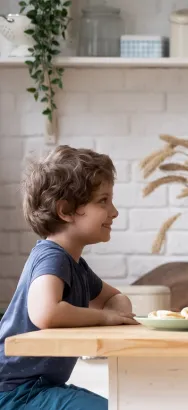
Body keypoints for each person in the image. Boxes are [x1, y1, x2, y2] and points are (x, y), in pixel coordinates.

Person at [0, 146, 137, 409]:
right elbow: (45, 312)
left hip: (40, 387)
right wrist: (106, 317)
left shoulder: (77, 266)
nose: (115, 211)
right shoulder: (52, 256)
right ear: (66, 211)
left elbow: (116, 298)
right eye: (103, 201)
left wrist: (116, 315)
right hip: (14, 393)